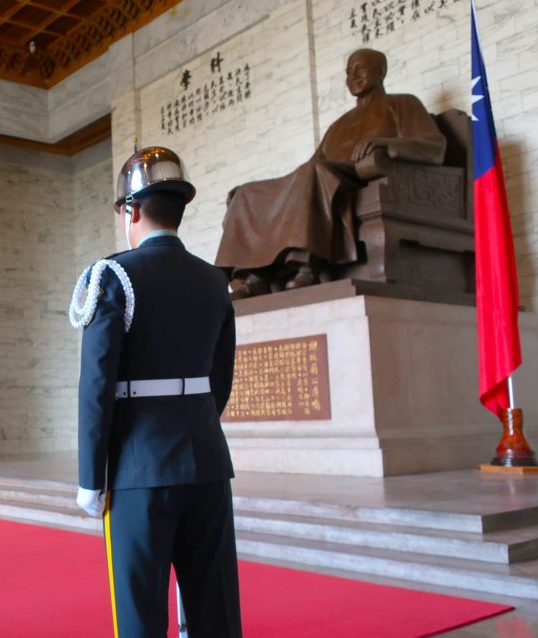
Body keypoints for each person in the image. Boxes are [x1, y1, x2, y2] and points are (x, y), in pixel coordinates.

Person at [69, 145, 241, 637]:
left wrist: (90, 477)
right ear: (179, 208)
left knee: (140, 611)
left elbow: (97, 385)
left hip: (137, 470)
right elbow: (220, 378)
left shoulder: (114, 276)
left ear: (132, 210)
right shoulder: (214, 281)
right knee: (216, 609)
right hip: (206, 461)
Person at [215, 48, 447, 296]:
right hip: (325, 176)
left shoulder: (402, 104)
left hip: (361, 177)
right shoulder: (339, 124)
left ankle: (308, 267)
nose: (352, 76)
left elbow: (435, 147)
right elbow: (308, 168)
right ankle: (253, 275)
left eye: (359, 69)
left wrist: (386, 144)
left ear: (381, 71)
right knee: (247, 193)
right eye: (348, 72)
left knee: (313, 172)